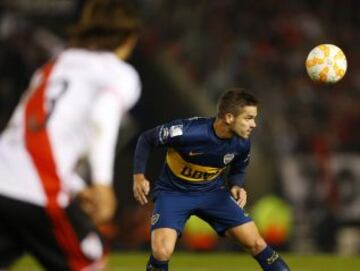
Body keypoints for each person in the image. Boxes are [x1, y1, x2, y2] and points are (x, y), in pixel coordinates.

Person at [0, 0, 141, 270]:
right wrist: (101, 183)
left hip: (3, 180)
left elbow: (23, 133)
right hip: (37, 189)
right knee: (91, 264)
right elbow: (104, 113)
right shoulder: (119, 73)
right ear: (129, 38)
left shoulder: (54, 66)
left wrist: (74, 185)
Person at [133, 89, 291, 271]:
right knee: (161, 252)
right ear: (229, 117)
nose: (253, 124)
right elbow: (147, 139)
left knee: (255, 243)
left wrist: (236, 185)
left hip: (212, 194)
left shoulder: (242, 143)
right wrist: (139, 175)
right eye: (248, 118)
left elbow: (239, 166)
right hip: (173, 193)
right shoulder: (188, 132)